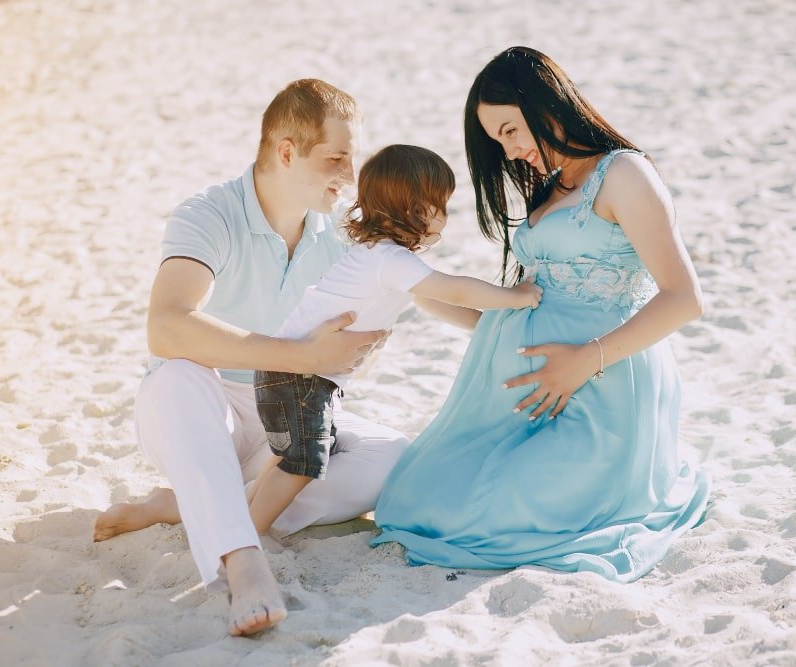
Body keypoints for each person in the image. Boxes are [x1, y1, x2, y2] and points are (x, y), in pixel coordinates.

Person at [371, 46, 711, 581]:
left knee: (497, 513)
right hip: (528, 399)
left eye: (510, 130)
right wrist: (430, 297)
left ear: (544, 104)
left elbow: (683, 298)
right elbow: (528, 304)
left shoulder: (623, 174)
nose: (509, 152)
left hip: (602, 390)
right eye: (497, 140)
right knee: (417, 496)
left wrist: (584, 361)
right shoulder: (553, 186)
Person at [92, 79, 412, 636]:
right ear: (286, 151)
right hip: (198, 414)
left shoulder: (337, 233)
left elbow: (396, 298)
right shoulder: (211, 213)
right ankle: (242, 560)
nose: (349, 176)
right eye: (336, 158)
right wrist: (299, 354)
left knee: (392, 456)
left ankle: (187, 507)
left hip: (281, 421)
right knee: (178, 374)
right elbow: (166, 325)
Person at [247, 144, 542, 535]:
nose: (446, 216)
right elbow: (452, 290)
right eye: (442, 205)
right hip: (300, 376)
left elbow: (436, 303)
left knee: (290, 456)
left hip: (295, 374)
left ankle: (242, 512)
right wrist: (515, 297)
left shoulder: (380, 257)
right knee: (300, 464)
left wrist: (491, 327)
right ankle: (250, 530)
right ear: (414, 209)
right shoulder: (389, 260)